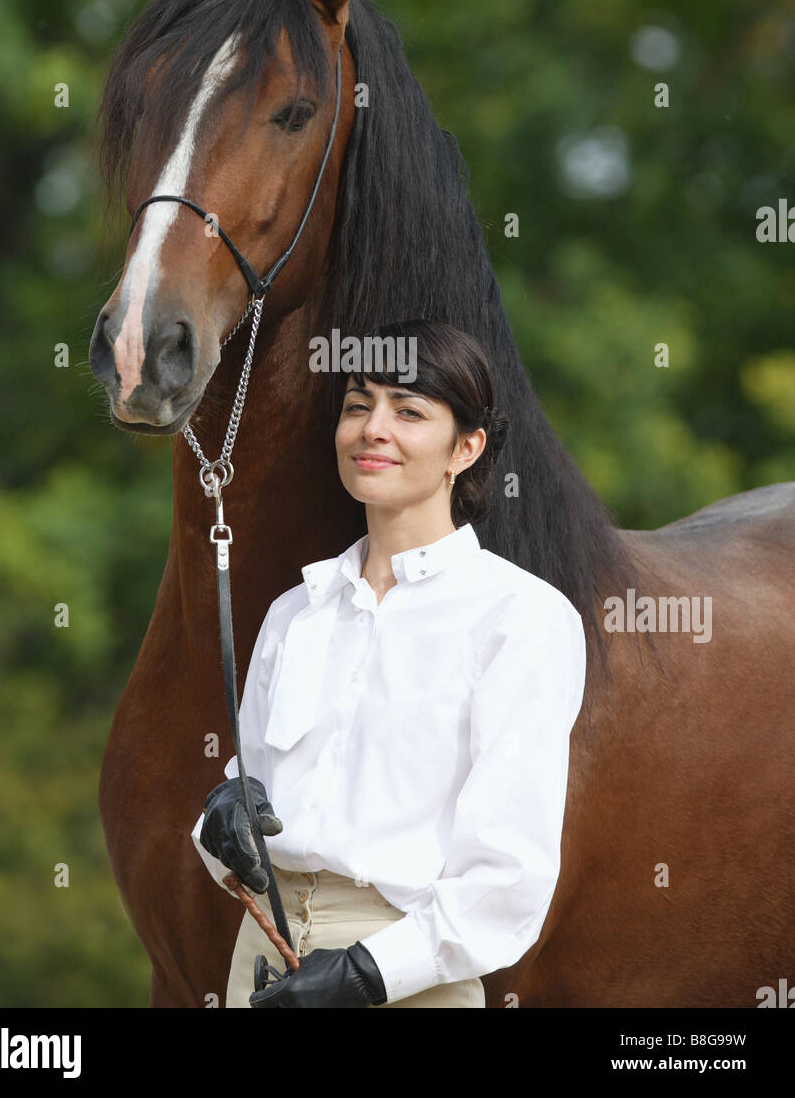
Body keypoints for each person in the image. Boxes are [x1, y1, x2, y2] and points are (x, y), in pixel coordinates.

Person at [191, 319, 587, 1008]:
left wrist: (367, 973)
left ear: (466, 448)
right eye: (357, 405)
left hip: (409, 972)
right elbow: (244, 799)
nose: (373, 428)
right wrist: (219, 819)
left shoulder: (521, 618)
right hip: (261, 958)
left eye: (408, 411)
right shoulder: (295, 615)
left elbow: (509, 877)